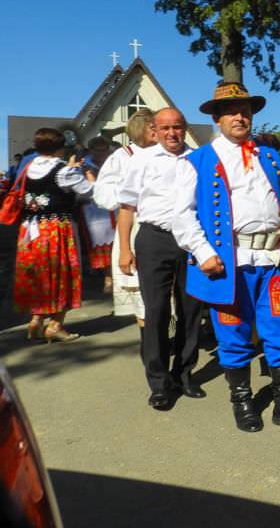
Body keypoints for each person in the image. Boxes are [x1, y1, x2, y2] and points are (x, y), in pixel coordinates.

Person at [173, 81, 280, 433]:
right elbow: (181, 214)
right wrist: (204, 252)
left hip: (274, 261)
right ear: (218, 118)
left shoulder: (269, 156)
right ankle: (242, 400)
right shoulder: (197, 160)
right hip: (230, 264)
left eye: (246, 111)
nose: (240, 117)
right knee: (234, 333)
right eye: (232, 112)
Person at [117, 108, 203, 411]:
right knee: (155, 311)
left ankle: (184, 373)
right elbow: (126, 207)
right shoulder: (141, 160)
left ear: (184, 128)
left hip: (191, 241)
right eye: (165, 128)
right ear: (154, 129)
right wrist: (125, 248)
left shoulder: (197, 159)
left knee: (191, 309)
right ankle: (158, 381)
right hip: (155, 239)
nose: (172, 134)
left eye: (177, 127)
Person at [14, 128, 95, 342]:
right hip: (57, 228)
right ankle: (56, 324)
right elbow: (89, 192)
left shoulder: (28, 167)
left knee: (39, 275)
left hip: (30, 230)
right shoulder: (64, 171)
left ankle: (35, 321)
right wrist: (86, 173)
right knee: (64, 274)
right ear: (60, 148)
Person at [93, 109, 157, 326]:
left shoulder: (168, 151)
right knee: (139, 285)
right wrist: (131, 193)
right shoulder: (123, 156)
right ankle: (148, 335)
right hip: (133, 222)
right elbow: (103, 195)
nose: (158, 130)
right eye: (153, 126)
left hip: (166, 223)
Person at [80, 136, 115, 293]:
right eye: (97, 150)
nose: (101, 153)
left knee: (117, 243)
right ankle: (107, 277)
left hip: (115, 207)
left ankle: (117, 276)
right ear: (91, 150)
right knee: (102, 245)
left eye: (104, 149)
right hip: (95, 211)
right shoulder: (85, 165)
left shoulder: (115, 162)